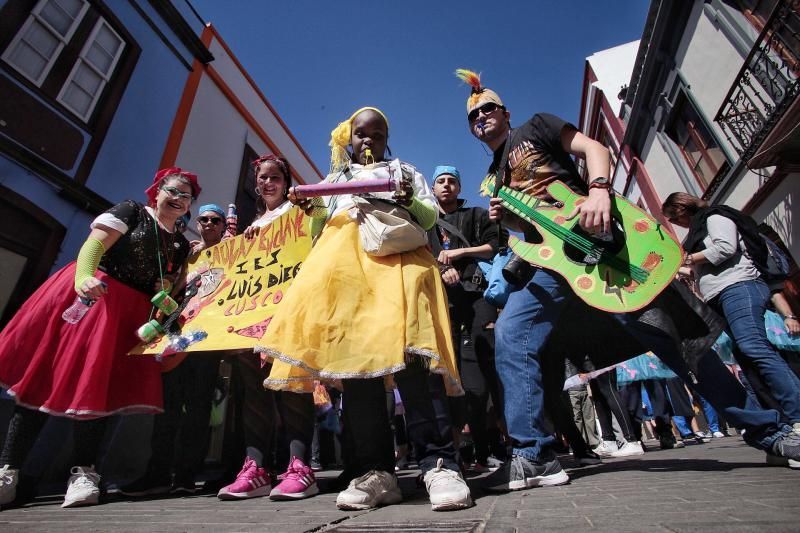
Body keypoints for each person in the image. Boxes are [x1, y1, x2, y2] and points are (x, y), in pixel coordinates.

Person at [454, 68, 800, 490]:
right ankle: (533, 454)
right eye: (473, 116)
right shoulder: (494, 177)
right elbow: (527, 232)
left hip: (603, 250)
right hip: (555, 265)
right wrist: (504, 217)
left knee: (677, 342)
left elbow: (594, 148)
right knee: (512, 331)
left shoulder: (538, 126)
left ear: (505, 113)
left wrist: (599, 189)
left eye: (488, 108)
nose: (481, 117)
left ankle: (771, 433)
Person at [260, 107, 472, 511]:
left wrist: (409, 198)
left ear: (386, 138)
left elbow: (428, 217)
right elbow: (318, 227)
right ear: (349, 139)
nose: (368, 140)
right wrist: (310, 208)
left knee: (414, 360)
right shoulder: (334, 179)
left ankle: (439, 463)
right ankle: (376, 471)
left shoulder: (405, 171)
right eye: (360, 133)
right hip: (344, 276)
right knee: (357, 371)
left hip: (400, 265)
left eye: (377, 133)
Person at [0, 168, 200, 508]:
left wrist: (169, 289)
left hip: (129, 315)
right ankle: (9, 471)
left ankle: (84, 474)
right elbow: (94, 245)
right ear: (157, 190)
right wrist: (83, 279)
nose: (180, 199)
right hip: (96, 299)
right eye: (174, 191)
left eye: (187, 196)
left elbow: (162, 283)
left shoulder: (179, 243)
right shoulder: (132, 211)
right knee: (44, 379)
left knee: (99, 387)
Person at [217, 155, 317, 501]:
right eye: (262, 178)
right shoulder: (252, 225)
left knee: (292, 384)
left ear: (286, 181)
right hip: (251, 320)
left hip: (291, 313)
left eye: (275, 177)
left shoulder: (299, 213)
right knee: (254, 392)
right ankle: (256, 467)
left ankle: (300, 466)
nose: (268, 183)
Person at [662, 192, 800, 432]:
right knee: (746, 360)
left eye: (673, 218)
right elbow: (700, 269)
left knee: (752, 346)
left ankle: (797, 413)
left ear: (682, 209)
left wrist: (686, 259)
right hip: (719, 295)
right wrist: (678, 271)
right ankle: (781, 421)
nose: (675, 224)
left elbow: (725, 248)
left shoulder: (715, 217)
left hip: (739, 286)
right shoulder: (698, 232)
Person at [120, 203, 227, 497]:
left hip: (209, 341)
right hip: (177, 336)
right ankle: (156, 473)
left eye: (214, 220)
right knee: (167, 408)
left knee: (198, 410)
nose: (208, 224)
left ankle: (186, 476)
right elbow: (173, 289)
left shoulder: (234, 251)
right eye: (203, 219)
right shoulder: (186, 255)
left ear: (222, 225)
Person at [428, 165, 503, 471]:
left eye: (452, 181)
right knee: (449, 375)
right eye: (440, 181)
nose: (446, 186)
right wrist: (442, 267)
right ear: (432, 189)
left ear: (459, 188)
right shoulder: (426, 222)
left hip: (477, 298)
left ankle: (491, 446)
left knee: (483, 371)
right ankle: (460, 451)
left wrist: (457, 255)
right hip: (443, 305)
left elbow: (496, 245)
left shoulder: (475, 215)